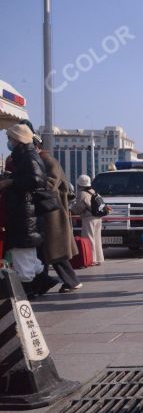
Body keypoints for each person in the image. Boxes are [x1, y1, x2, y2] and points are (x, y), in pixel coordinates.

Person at [2, 124, 52, 297]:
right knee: (28, 256)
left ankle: (27, 292)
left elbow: (36, 180)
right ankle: (43, 281)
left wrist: (11, 182)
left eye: (10, 138)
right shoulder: (25, 155)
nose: (8, 142)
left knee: (22, 255)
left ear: (18, 139)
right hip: (25, 213)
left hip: (24, 214)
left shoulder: (27, 156)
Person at [38, 149, 82, 292]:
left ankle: (71, 281)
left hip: (53, 212)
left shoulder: (49, 161)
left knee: (55, 250)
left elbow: (51, 183)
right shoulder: (44, 161)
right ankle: (42, 282)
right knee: (45, 251)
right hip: (49, 211)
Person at [72, 175, 106, 267]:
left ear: (79, 184)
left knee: (88, 239)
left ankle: (92, 259)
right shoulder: (93, 191)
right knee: (97, 238)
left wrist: (71, 209)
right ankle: (99, 258)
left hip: (89, 218)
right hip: (98, 217)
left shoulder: (82, 193)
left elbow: (80, 207)